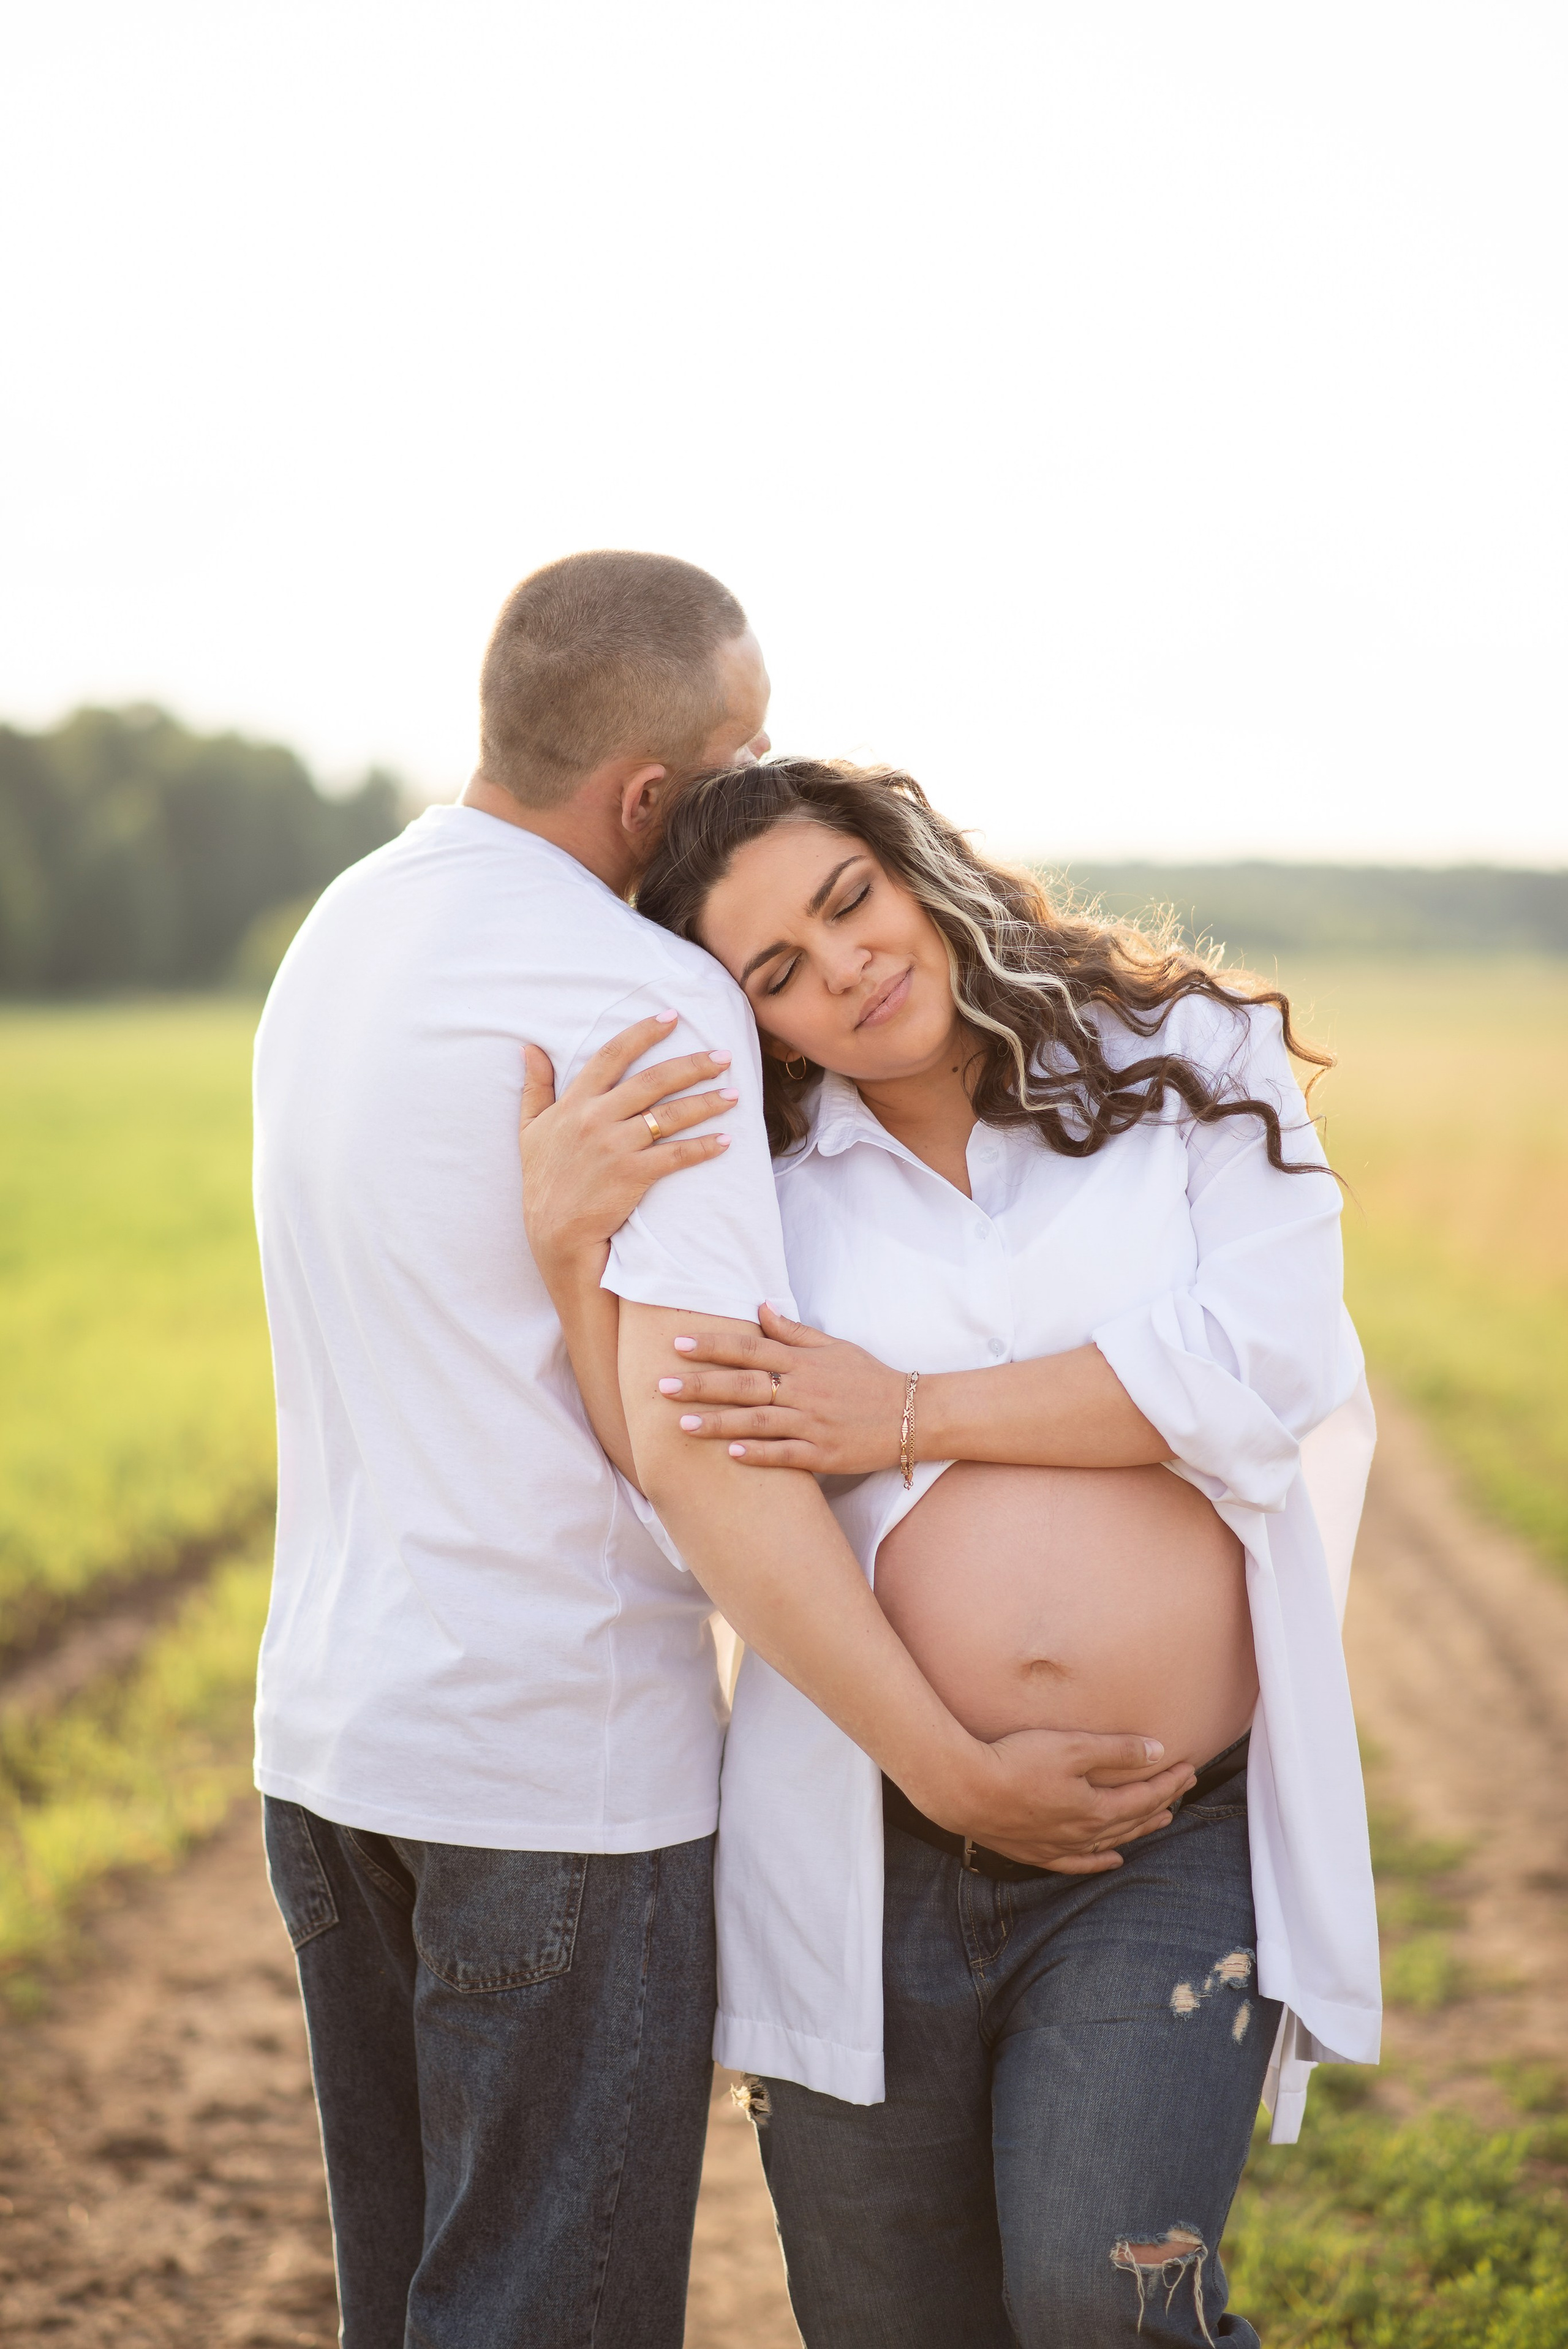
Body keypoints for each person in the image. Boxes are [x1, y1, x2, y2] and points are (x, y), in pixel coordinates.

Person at [251, 561, 1194, 2349]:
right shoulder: (644, 999)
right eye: (740, 749)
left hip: (330, 1743)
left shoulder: (341, 936)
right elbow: (712, 1453)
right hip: (554, 1769)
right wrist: (950, 1763)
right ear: (647, 800)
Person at [519, 756, 1381, 2348]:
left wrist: (905, 1410)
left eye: (849, 900)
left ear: (916, 865)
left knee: (1101, 2303)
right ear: (748, 1017)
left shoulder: (1191, 1052)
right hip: (861, 1835)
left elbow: (1265, 1362)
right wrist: (579, 1257)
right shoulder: (758, 1190)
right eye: (774, 970)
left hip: (1159, 1832)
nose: (842, 967)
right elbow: (690, 1491)